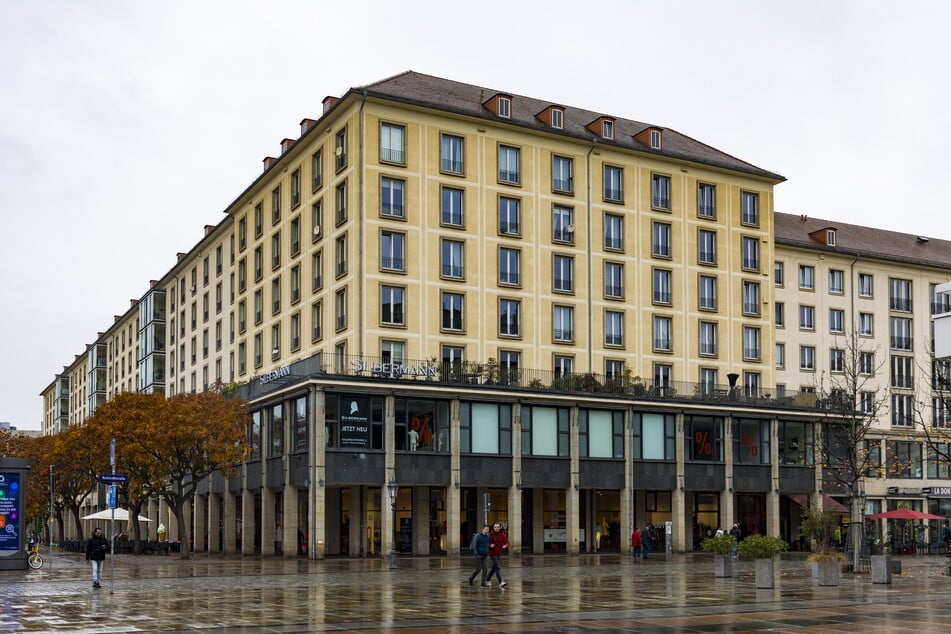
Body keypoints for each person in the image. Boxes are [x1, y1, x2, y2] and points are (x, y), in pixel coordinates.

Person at [486, 522, 509, 588]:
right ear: (493, 528)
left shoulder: (502, 535)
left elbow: (507, 542)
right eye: (495, 527)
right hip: (492, 553)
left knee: (494, 568)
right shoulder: (490, 535)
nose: (496, 528)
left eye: (498, 527)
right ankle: (501, 582)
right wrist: (490, 545)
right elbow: (486, 543)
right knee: (498, 567)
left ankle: (487, 579)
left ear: (500, 528)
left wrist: (505, 545)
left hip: (498, 553)